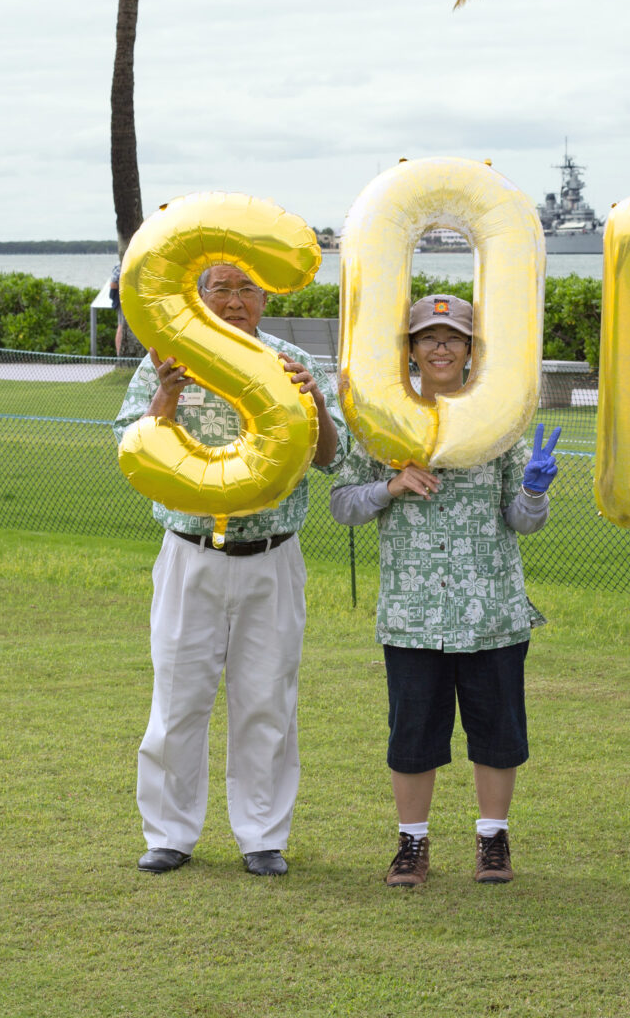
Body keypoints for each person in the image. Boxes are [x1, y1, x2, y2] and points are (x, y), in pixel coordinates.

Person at [113, 262, 347, 879]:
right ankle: (170, 834)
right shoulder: (170, 357)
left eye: (248, 288)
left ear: (264, 297)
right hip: (191, 552)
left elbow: (332, 457)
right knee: (178, 696)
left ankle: (262, 837)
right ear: (200, 295)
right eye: (222, 288)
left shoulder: (290, 359)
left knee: (267, 698)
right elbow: (128, 444)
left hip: (272, 556)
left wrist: (315, 401)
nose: (236, 301)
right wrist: (165, 393)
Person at [330, 295, 554, 888]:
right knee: (412, 736)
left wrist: (533, 492)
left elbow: (523, 521)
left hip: (492, 611)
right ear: (408, 349)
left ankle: (492, 841)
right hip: (413, 614)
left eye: (453, 337)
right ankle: (412, 845)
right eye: (428, 337)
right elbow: (342, 505)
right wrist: (391, 486)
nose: (440, 347)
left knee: (498, 734)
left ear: (472, 349)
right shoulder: (379, 421)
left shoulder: (501, 422)